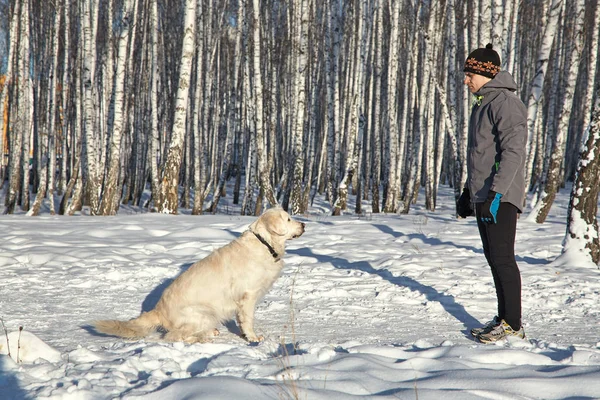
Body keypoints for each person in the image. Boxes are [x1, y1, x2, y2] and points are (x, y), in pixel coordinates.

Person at [457, 44, 527, 343]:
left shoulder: (505, 103)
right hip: (485, 195)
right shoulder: (484, 102)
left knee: (502, 258)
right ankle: (504, 318)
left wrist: (496, 195)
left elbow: (513, 152)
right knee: (493, 258)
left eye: (470, 73)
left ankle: (513, 323)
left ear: (485, 73)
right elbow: (481, 156)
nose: (466, 80)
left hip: (501, 195)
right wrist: (467, 192)